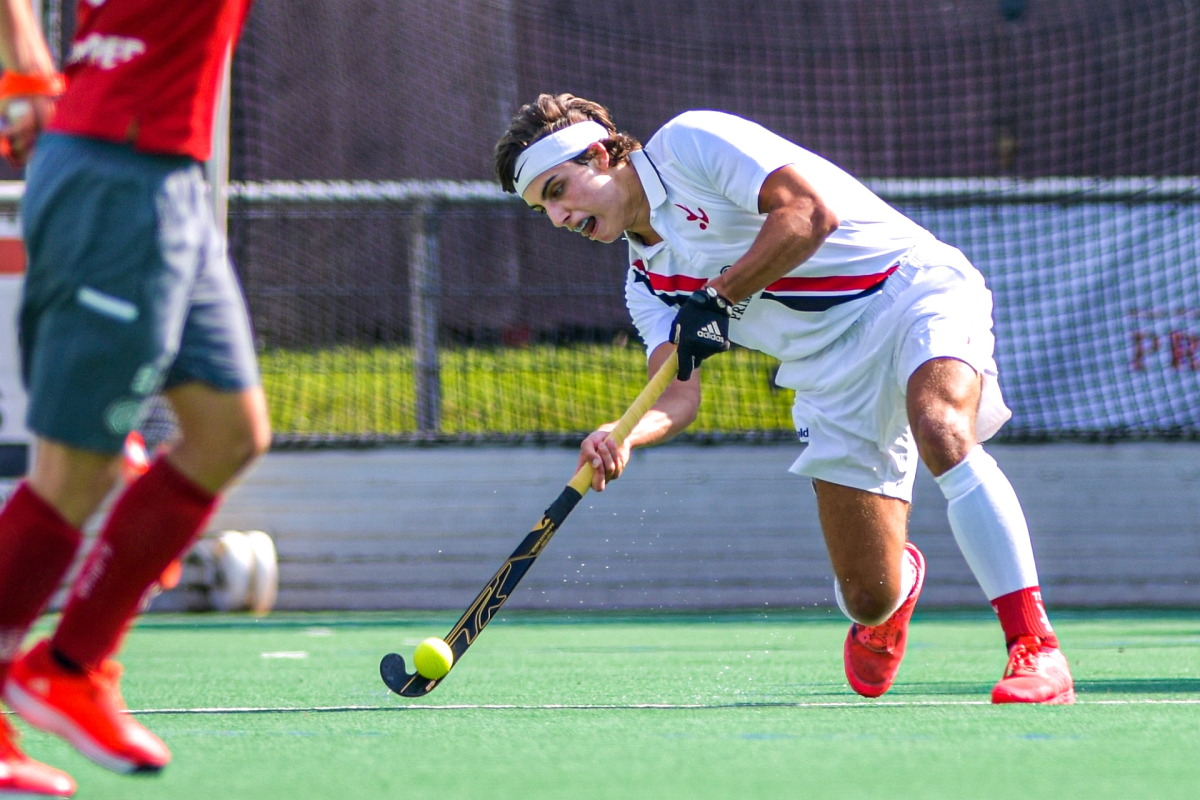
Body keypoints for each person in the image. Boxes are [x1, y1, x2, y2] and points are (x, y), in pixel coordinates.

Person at [495, 94, 1074, 707]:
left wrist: (717, 298)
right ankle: (896, 595)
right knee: (865, 596)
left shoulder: (692, 144)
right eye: (543, 208)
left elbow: (806, 213)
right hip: (827, 372)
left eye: (558, 190)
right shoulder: (647, 285)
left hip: (910, 290)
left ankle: (1036, 648)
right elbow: (678, 394)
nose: (558, 216)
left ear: (599, 153)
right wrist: (625, 432)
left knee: (941, 429)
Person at [0, 0, 267, 795]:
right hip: (114, 172)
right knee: (71, 476)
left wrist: (26, 67)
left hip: (167, 173)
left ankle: (71, 664)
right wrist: (24, 68)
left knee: (229, 432)